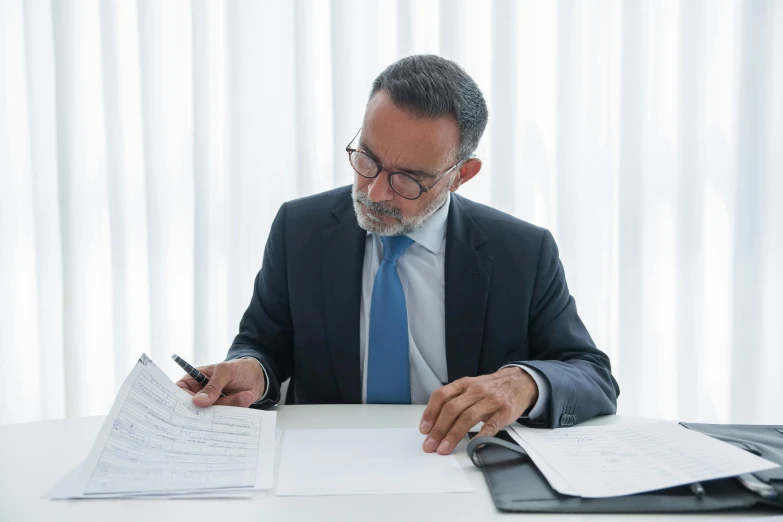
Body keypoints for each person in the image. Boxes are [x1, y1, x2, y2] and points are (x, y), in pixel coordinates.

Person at [177, 55, 619, 455]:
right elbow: (264, 344)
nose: (374, 191)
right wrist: (252, 370)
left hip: (462, 470)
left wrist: (525, 382)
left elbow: (592, 375)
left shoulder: (521, 251)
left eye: (407, 179)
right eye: (367, 159)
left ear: (460, 175)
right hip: (323, 465)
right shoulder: (300, 228)